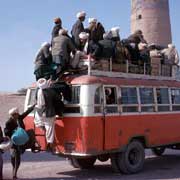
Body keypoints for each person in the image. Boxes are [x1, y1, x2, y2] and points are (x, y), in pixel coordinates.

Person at [4, 105, 36, 180]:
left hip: (20, 140)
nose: (18, 115)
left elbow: (27, 112)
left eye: (18, 114)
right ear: (13, 115)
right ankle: (13, 171)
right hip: (13, 141)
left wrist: (33, 106)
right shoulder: (8, 122)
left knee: (17, 158)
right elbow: (6, 131)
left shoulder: (19, 118)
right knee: (13, 157)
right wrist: (14, 132)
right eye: (16, 114)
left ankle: (15, 173)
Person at [35, 78, 63, 152]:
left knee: (38, 123)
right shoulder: (50, 91)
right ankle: (49, 144)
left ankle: (44, 131)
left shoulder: (38, 91)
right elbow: (58, 98)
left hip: (39, 112)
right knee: (50, 128)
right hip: (48, 113)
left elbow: (36, 100)